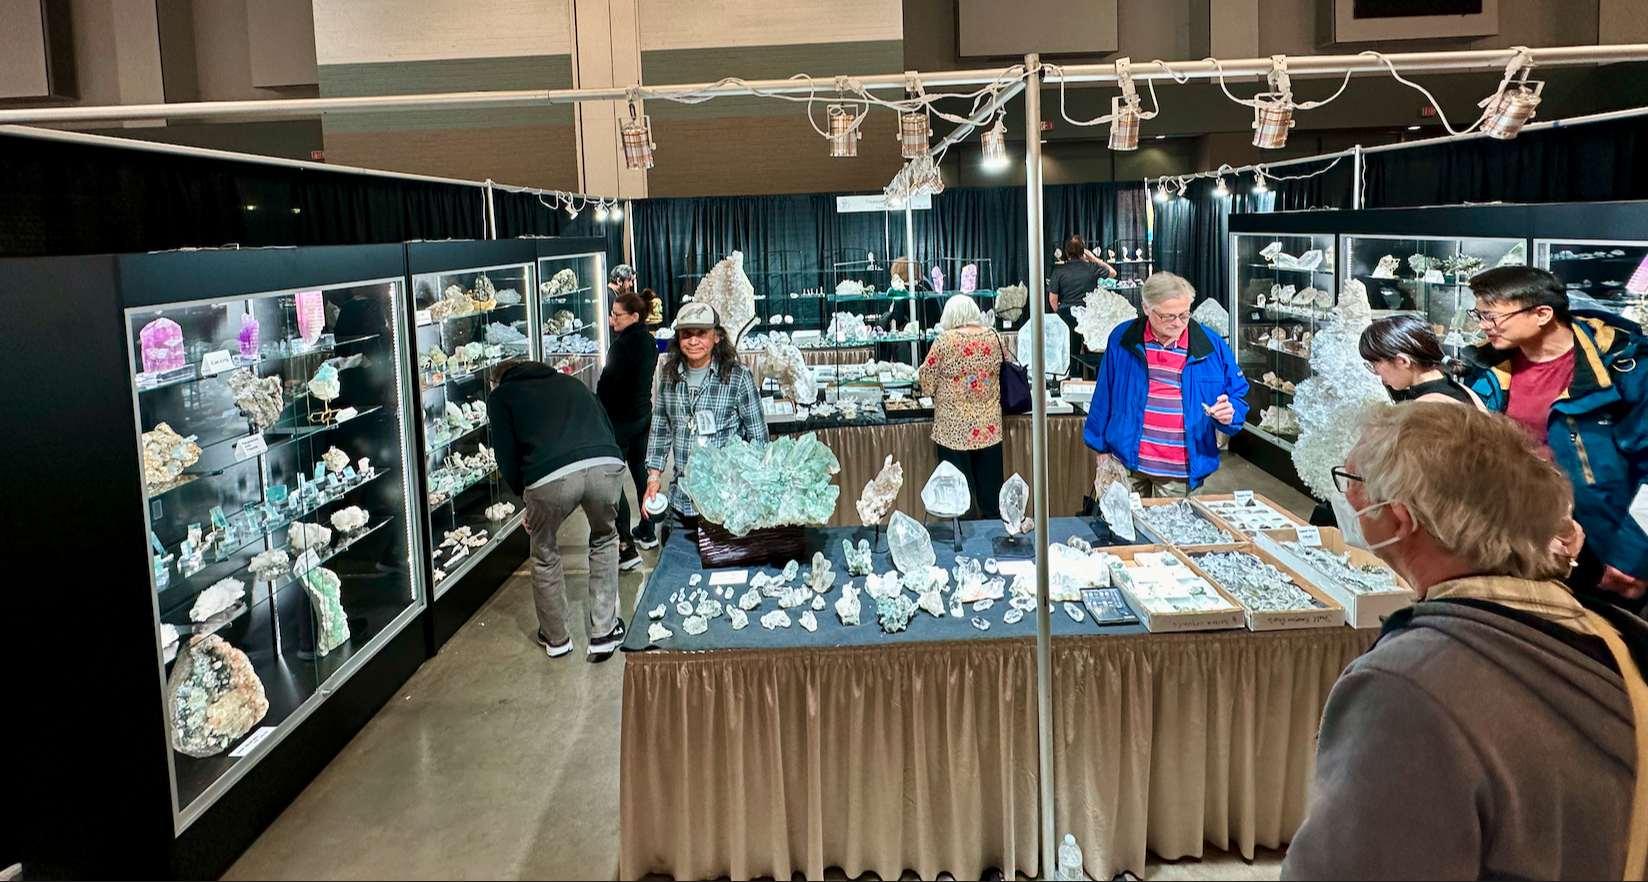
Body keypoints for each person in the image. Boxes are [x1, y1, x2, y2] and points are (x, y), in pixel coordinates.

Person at [1283, 401, 1647, 881]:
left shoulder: (1403, 685)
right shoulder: (1620, 637)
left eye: (1353, 483)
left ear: (1399, 519)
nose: (1348, 499)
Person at [1464, 266, 1648, 601]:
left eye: (1492, 317)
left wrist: (1632, 559)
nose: (1483, 326)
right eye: (1479, 315)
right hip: (1519, 549)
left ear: (1543, 314)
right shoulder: (1486, 372)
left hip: (1608, 560)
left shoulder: (1625, 368)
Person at [486, 358, 627, 662]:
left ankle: (556, 637)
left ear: (496, 382)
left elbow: (507, 456)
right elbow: (603, 421)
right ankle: (604, 632)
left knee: (544, 549)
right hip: (605, 461)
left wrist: (526, 499)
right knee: (605, 538)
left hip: (550, 475)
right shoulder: (570, 382)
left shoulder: (501, 397)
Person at [1084, 271, 1249, 498]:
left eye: (1184, 314)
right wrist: (1100, 448)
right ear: (1146, 308)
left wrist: (1230, 413)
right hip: (1126, 462)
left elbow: (1238, 396)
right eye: (1168, 316)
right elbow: (1104, 395)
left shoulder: (1211, 345)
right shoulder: (1122, 338)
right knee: (1121, 521)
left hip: (1181, 471)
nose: (1178, 323)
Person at [642, 302, 768, 541]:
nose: (693, 341)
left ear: (717, 336)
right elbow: (660, 428)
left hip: (725, 504)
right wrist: (653, 478)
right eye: (686, 334)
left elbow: (759, 439)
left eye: (701, 334)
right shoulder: (669, 376)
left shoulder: (738, 377)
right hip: (681, 502)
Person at [919, 294, 1006, 519]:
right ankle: (994, 534)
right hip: (988, 427)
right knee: (991, 497)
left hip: (953, 428)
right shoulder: (994, 337)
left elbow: (926, 382)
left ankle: (963, 536)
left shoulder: (945, 341)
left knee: (957, 497)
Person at [597, 290, 660, 565]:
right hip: (643, 417)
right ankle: (648, 531)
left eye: (617, 315)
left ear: (634, 316)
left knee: (612, 482)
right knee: (642, 475)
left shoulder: (620, 347)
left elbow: (607, 386)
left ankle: (626, 546)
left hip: (619, 422)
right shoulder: (649, 342)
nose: (613, 320)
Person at [1358, 313, 1484, 407]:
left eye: (1375, 363)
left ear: (1402, 361)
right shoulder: (1466, 391)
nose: (1375, 372)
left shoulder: (1425, 408)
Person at [1045, 234, 1117, 313]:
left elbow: (1052, 299)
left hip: (1066, 314)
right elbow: (1113, 273)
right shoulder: (1093, 267)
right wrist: (1094, 259)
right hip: (1087, 314)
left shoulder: (1058, 271)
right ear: (1083, 251)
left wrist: (1061, 315)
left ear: (1066, 251)